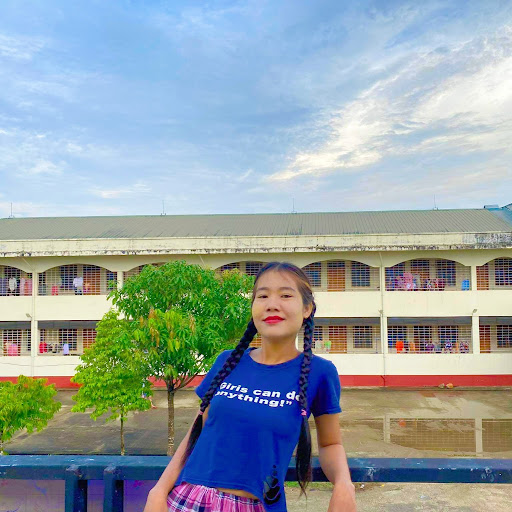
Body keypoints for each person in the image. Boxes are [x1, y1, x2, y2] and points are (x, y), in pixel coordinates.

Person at [143, 262, 356, 512]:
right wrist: (159, 491)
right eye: (262, 296)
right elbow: (197, 431)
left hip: (255, 505)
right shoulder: (227, 361)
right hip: (190, 500)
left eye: (285, 295)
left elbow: (330, 444)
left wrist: (344, 485)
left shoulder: (319, 372)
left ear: (307, 308)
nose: (272, 304)